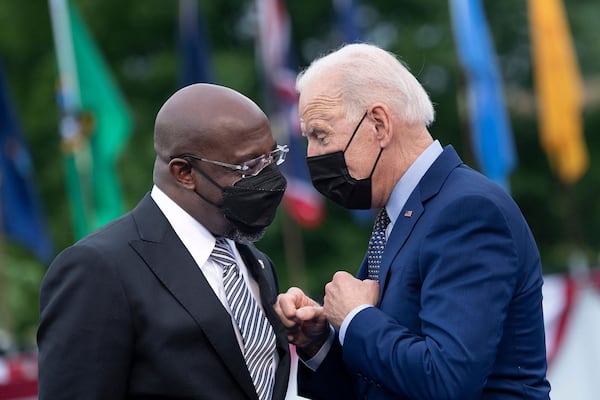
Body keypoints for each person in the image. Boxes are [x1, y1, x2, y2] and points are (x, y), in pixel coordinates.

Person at [275, 43, 551, 399]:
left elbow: (446, 380)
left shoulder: (466, 211)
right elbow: (379, 383)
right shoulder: (400, 214)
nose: (312, 155)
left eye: (320, 134)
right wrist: (321, 342)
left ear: (379, 124)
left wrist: (356, 317)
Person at [37, 83, 292, 400]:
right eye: (249, 166)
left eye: (273, 158)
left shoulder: (255, 263)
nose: (269, 178)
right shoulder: (99, 269)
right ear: (184, 172)